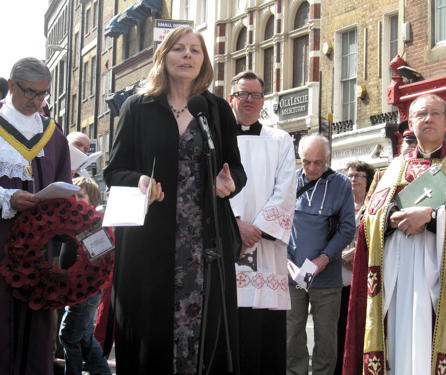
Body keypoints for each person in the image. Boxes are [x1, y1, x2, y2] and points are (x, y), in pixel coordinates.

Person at [104, 26, 246, 375]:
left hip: (205, 241)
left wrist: (229, 182)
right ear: (164, 56)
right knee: (152, 332)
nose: (187, 56)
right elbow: (114, 171)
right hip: (150, 241)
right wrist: (139, 180)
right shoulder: (139, 107)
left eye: (195, 50)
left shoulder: (214, 109)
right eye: (179, 49)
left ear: (204, 60)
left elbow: (236, 169)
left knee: (203, 332)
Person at [343, 93, 446, 374]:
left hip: (441, 278)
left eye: (435, 113)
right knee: (398, 346)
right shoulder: (392, 169)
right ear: (410, 122)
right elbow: (368, 222)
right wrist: (391, 217)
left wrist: (433, 217)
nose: (428, 119)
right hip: (396, 278)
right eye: (421, 114)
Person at [0, 57, 71, 374]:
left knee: (37, 327)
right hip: (0, 243)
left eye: (43, 94)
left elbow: (64, 185)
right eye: (29, 92)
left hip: (39, 250)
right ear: (12, 85)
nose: (37, 101)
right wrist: (7, 197)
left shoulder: (53, 134)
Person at [228, 71, 296, 374]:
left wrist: (258, 229)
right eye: (243, 94)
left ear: (263, 100)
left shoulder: (280, 140)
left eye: (255, 95)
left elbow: (286, 188)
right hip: (228, 247)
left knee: (265, 337)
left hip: (266, 250)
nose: (249, 100)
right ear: (231, 98)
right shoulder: (216, 139)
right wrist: (235, 226)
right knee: (232, 329)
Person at [287, 134, 356, 375]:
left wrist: (324, 258)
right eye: (306, 162)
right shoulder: (289, 180)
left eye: (318, 162)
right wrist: (286, 260)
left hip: (326, 275)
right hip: (294, 275)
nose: (312, 168)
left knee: (326, 336)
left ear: (328, 158)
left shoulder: (341, 184)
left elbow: (348, 227)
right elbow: (279, 223)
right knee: (291, 332)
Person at [58, 177, 111, 375]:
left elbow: (98, 258)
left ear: (93, 201)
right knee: (85, 337)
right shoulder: (73, 220)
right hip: (75, 288)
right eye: (72, 196)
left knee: (69, 335)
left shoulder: (94, 223)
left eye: (80, 196)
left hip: (85, 291)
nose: (75, 200)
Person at [334, 160, 374, 375]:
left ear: (368, 180)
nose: (353, 179)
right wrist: (337, 254)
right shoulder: (339, 205)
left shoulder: (373, 207)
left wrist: (358, 252)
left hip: (363, 279)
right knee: (338, 330)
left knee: (360, 328)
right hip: (338, 277)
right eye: (350, 175)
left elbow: (378, 237)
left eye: (359, 175)